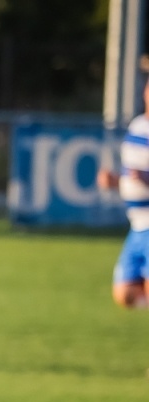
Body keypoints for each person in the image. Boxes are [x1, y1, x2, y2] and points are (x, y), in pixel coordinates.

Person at [99, 76, 149, 309]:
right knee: (125, 295)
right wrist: (116, 181)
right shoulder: (138, 125)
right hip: (136, 225)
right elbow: (132, 175)